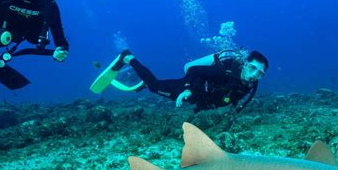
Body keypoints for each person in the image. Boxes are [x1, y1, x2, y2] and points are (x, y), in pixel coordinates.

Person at [90, 48, 269, 113]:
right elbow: (192, 70)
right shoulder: (225, 72)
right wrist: (187, 89)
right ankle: (128, 57)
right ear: (245, 63)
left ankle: (140, 81)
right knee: (153, 86)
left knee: (153, 86)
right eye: (253, 68)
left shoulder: (250, 84)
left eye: (260, 72)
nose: (254, 74)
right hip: (190, 89)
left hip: (198, 99)